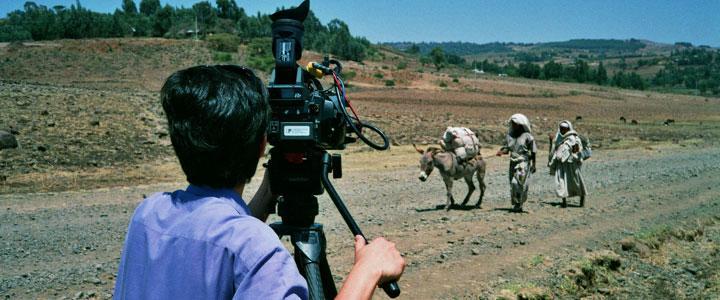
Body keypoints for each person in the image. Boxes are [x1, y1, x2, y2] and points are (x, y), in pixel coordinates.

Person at [113, 65, 405, 300]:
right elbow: (234, 241)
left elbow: (216, 237)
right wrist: (367, 271)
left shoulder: (148, 214)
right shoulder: (254, 248)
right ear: (263, 143)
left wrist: (269, 190)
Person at [495, 113, 537, 212]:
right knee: (513, 183)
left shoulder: (528, 136)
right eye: (512, 123)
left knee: (517, 183)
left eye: (515, 124)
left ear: (520, 124)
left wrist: (534, 164)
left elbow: (533, 151)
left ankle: (520, 202)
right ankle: (517, 203)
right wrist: (501, 152)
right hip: (513, 162)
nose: (513, 125)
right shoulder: (510, 136)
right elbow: (508, 149)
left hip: (523, 161)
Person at [547, 120, 588, 207]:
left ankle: (582, 200)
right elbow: (554, 150)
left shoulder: (574, 138)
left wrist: (574, 150)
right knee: (561, 182)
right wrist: (551, 142)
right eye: (561, 128)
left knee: (577, 181)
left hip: (571, 163)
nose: (562, 130)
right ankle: (564, 202)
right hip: (561, 164)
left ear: (568, 128)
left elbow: (577, 150)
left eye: (564, 129)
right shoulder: (558, 138)